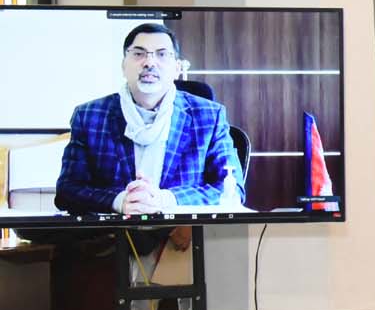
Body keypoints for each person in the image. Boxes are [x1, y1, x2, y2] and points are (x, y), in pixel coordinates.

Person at [56, 22, 240, 215]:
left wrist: (165, 200)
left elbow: (232, 189)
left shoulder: (209, 116)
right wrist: (119, 201)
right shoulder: (89, 116)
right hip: (113, 230)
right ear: (123, 66)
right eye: (138, 53)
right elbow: (67, 191)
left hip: (184, 230)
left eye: (162, 54)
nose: (149, 63)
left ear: (177, 68)